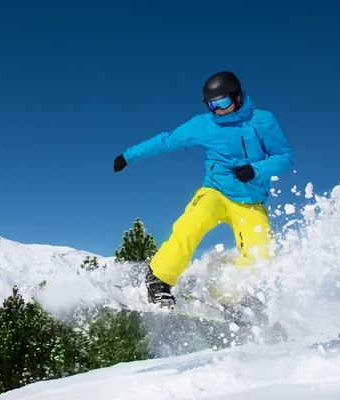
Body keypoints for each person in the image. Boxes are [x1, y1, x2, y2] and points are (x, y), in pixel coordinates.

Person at [113, 71, 294, 309]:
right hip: (215, 192)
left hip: (250, 200)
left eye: (223, 103)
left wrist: (256, 170)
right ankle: (158, 279)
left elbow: (284, 156)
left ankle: (227, 298)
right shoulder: (203, 124)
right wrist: (128, 156)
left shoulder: (263, 121)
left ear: (237, 97)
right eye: (212, 105)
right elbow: (167, 140)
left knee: (263, 253)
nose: (218, 110)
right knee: (190, 225)